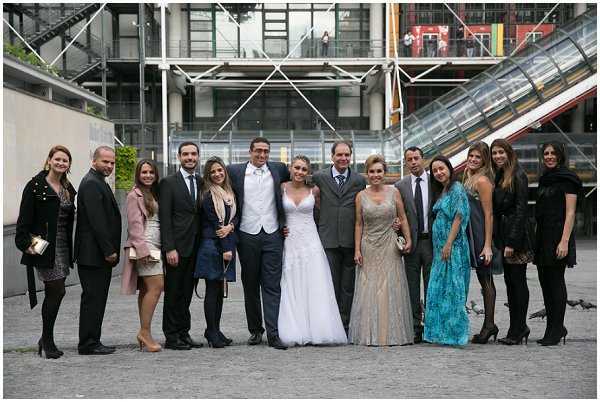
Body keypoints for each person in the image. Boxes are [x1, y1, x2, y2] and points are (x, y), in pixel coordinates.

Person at [227, 137, 290, 350]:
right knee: (251, 284)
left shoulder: (279, 169)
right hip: (247, 234)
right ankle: (255, 330)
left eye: (266, 151)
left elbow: (296, 185)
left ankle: (274, 333)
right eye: (258, 151)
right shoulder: (234, 171)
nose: (262, 155)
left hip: (273, 233)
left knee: (272, 286)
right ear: (250, 151)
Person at [278, 155, 347, 346]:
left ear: (308, 173)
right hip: (290, 241)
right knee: (291, 283)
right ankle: (294, 328)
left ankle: (318, 329)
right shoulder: (281, 187)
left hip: (311, 241)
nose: (300, 172)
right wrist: (280, 227)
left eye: (304, 169)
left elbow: (327, 212)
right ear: (290, 168)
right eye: (297, 168)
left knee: (315, 283)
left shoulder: (314, 190)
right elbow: (274, 211)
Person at [15, 145, 77, 359]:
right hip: (43, 248)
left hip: (62, 246)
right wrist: (36, 249)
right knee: (57, 290)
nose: (61, 163)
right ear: (49, 160)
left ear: (69, 165)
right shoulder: (35, 186)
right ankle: (47, 340)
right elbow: (22, 227)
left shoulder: (68, 187)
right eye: (58, 159)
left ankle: (45, 339)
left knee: (57, 292)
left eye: (65, 160)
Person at [350, 155, 414, 346]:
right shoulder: (360, 196)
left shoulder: (394, 192)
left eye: (379, 171)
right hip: (369, 245)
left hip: (389, 245)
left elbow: (402, 217)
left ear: (384, 173)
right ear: (367, 173)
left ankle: (392, 334)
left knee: (390, 287)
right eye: (372, 171)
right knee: (369, 289)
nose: (376, 175)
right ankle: (369, 334)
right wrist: (357, 250)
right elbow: (358, 224)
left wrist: (408, 239)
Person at [311, 140, 367, 334]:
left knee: (348, 286)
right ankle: (329, 323)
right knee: (330, 284)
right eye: (339, 155)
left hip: (351, 240)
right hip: (328, 239)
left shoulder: (359, 180)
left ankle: (345, 323)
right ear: (332, 156)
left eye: (347, 155)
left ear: (351, 156)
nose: (343, 158)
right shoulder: (319, 177)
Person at [74, 146, 121, 355]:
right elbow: (97, 222)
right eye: (105, 162)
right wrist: (109, 250)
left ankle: (92, 340)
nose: (109, 166)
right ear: (94, 161)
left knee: (96, 298)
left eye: (112, 163)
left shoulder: (97, 181)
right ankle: (88, 343)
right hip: (94, 255)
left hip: (96, 254)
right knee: (93, 299)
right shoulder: (92, 183)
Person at [534, 142, 581, 346]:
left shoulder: (568, 179)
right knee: (545, 282)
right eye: (546, 153)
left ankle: (557, 328)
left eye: (553, 153)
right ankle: (552, 327)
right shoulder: (544, 179)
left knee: (556, 282)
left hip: (558, 237)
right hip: (543, 236)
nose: (549, 156)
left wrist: (564, 241)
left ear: (560, 156)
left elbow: (570, 212)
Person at [159, 141, 204, 350]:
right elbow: (165, 218)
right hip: (176, 248)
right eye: (186, 154)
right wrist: (169, 248)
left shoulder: (202, 182)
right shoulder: (169, 183)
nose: (190, 158)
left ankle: (184, 332)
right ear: (179, 157)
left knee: (187, 292)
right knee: (173, 293)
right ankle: (171, 336)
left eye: (193, 154)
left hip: (196, 247)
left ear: (198, 156)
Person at [424, 156, 471, 346]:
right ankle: (438, 333)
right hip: (440, 250)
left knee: (453, 290)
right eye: (435, 171)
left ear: (449, 169)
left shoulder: (456, 188)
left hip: (453, 248)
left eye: (441, 169)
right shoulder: (441, 190)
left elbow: (459, 217)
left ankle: (455, 334)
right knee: (438, 290)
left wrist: (449, 243)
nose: (438, 173)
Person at [490, 139, 532, 345]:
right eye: (494, 153)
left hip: (516, 238)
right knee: (510, 284)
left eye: (501, 152)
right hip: (504, 235)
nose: (497, 156)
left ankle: (520, 328)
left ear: (509, 153)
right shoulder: (500, 175)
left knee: (518, 283)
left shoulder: (518, 175)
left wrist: (512, 242)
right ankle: (515, 328)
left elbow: (521, 210)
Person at [194, 157, 238, 348]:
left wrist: (232, 227)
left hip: (225, 242)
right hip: (213, 246)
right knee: (212, 289)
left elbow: (236, 217)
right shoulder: (208, 195)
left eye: (220, 170)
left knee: (220, 290)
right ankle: (211, 332)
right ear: (208, 175)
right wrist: (226, 248)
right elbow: (217, 225)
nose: (217, 174)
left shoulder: (229, 193)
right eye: (212, 172)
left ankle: (215, 329)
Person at [121, 160, 164, 353]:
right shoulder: (134, 195)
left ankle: (144, 332)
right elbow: (134, 225)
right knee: (157, 286)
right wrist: (142, 250)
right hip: (145, 245)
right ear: (138, 174)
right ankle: (144, 332)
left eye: (151, 172)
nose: (147, 175)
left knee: (147, 289)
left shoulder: (154, 193)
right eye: (144, 172)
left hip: (156, 245)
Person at [395, 146, 433, 344]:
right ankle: (415, 327)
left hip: (431, 242)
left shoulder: (435, 182)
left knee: (431, 286)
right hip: (412, 244)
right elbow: (398, 214)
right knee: (411, 287)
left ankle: (432, 326)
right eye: (409, 159)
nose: (413, 162)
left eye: (416, 158)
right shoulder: (400, 186)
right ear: (405, 162)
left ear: (423, 159)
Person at [463, 142, 497, 344]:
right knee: (483, 280)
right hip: (470, 234)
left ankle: (489, 324)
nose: (473, 159)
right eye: (471, 156)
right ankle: (489, 324)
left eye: (478, 157)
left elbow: (488, 214)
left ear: (484, 160)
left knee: (486, 281)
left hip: (479, 235)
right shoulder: (469, 177)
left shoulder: (483, 180)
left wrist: (487, 245)